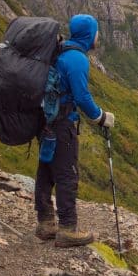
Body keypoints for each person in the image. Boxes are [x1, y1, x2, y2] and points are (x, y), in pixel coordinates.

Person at [34, 14, 115, 247]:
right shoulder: (77, 59)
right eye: (97, 32)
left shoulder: (60, 51)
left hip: (46, 120)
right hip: (62, 124)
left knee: (47, 170)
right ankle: (68, 229)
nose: (99, 36)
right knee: (67, 175)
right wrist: (101, 117)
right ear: (89, 34)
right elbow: (82, 97)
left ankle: (45, 222)